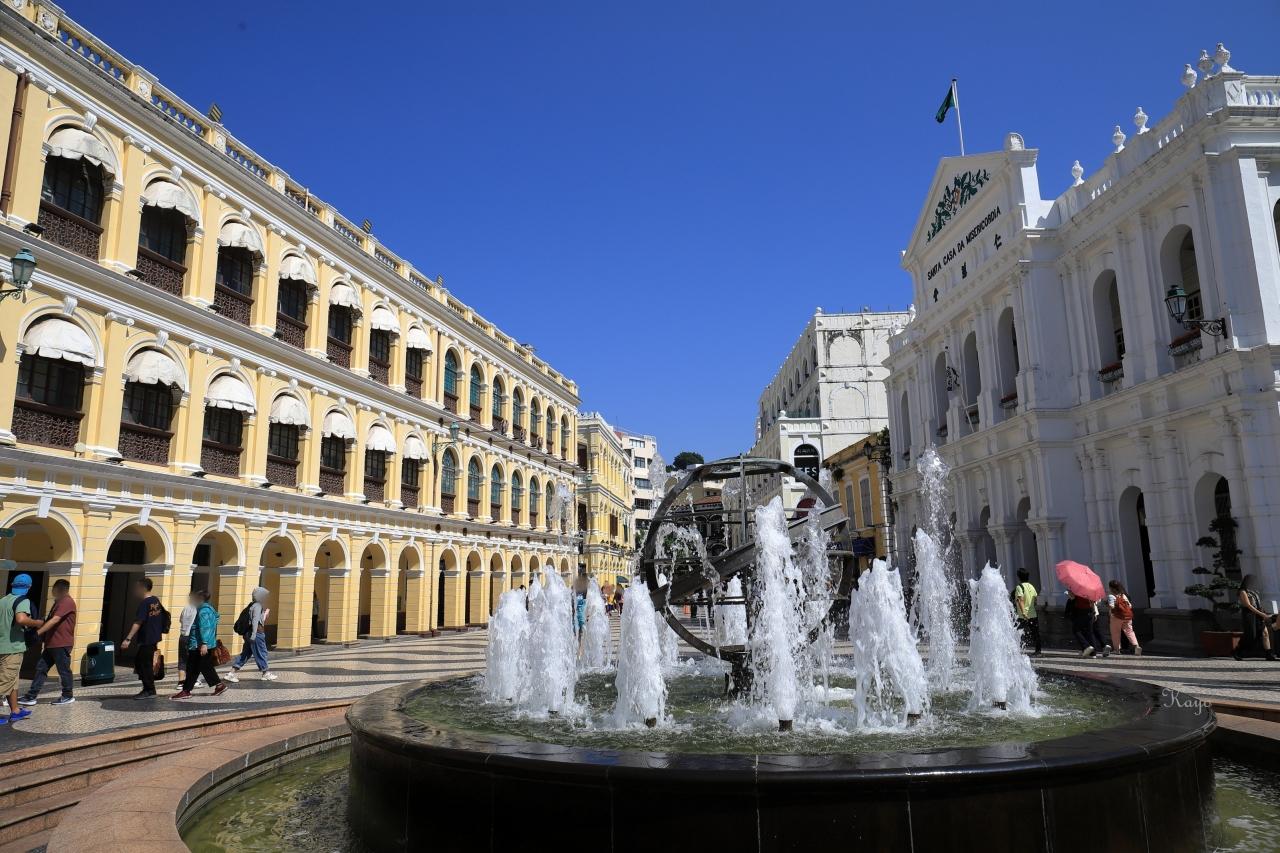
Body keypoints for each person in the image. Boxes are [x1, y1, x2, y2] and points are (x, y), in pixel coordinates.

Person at [18, 578, 76, 706]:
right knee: (41, 668)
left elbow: (55, 620)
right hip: (52, 643)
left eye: (53, 589)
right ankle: (31, 696)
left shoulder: (67, 602)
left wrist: (38, 633)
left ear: (59, 589)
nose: (52, 592)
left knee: (63, 670)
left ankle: (68, 695)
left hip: (61, 643)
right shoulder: (58, 602)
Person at [0, 574, 43, 725]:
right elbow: (21, 619)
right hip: (12, 648)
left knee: (13, 681)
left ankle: (16, 711)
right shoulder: (23, 601)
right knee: (4, 682)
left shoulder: (3, 600)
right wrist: (37, 623)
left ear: (12, 585)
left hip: (2, 646)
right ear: (29, 587)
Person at [172, 590, 226, 699]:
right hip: (204, 643)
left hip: (198, 644)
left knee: (194, 667)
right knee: (200, 667)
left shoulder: (203, 611)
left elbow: (204, 627)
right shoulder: (210, 609)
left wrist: (204, 643)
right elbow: (216, 620)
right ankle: (188, 690)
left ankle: (186, 691)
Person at [120, 577, 165, 699]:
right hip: (154, 637)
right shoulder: (155, 600)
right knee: (143, 662)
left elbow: (138, 622)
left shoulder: (144, 603)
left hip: (147, 638)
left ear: (143, 588)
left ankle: (149, 690)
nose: (135, 590)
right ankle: (149, 689)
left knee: (144, 664)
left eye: (137, 587)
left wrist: (128, 639)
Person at [225, 586, 276, 682]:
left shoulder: (252, 605)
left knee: (245, 654)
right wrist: (254, 635)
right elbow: (255, 621)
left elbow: (257, 620)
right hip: (256, 634)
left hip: (250, 633)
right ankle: (265, 673)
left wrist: (264, 615)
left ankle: (231, 673)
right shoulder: (258, 606)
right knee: (261, 653)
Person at [1234, 575, 1278, 661]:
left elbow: (1258, 604)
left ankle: (1269, 654)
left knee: (1265, 633)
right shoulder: (1243, 591)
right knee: (1251, 635)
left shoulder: (1253, 591)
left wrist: (1263, 613)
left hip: (1258, 614)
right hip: (1249, 615)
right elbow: (1248, 606)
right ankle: (1238, 651)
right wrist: (1262, 614)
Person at [1067, 591, 1109, 658]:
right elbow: (1093, 603)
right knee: (1090, 632)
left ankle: (1086, 646)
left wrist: (1072, 597)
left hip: (1081, 613)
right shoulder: (1090, 592)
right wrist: (1094, 613)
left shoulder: (1079, 592)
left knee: (1076, 630)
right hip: (1090, 612)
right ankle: (1093, 653)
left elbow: (1074, 604)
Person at [1106, 580, 1142, 657]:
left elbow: (1112, 606)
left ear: (1111, 588)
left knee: (1116, 633)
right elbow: (1130, 606)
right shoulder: (1123, 595)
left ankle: (1117, 650)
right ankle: (1136, 646)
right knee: (1130, 631)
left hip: (1116, 617)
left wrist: (1107, 605)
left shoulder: (1111, 596)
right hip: (1127, 617)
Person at [1012, 569, 1041, 656]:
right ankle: (1038, 651)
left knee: (1017, 633)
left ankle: (1016, 650)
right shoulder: (1032, 586)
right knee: (1035, 633)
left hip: (1022, 615)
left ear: (1019, 577)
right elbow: (1035, 600)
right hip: (1033, 614)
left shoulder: (1019, 587)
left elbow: (1020, 600)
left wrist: (1024, 612)